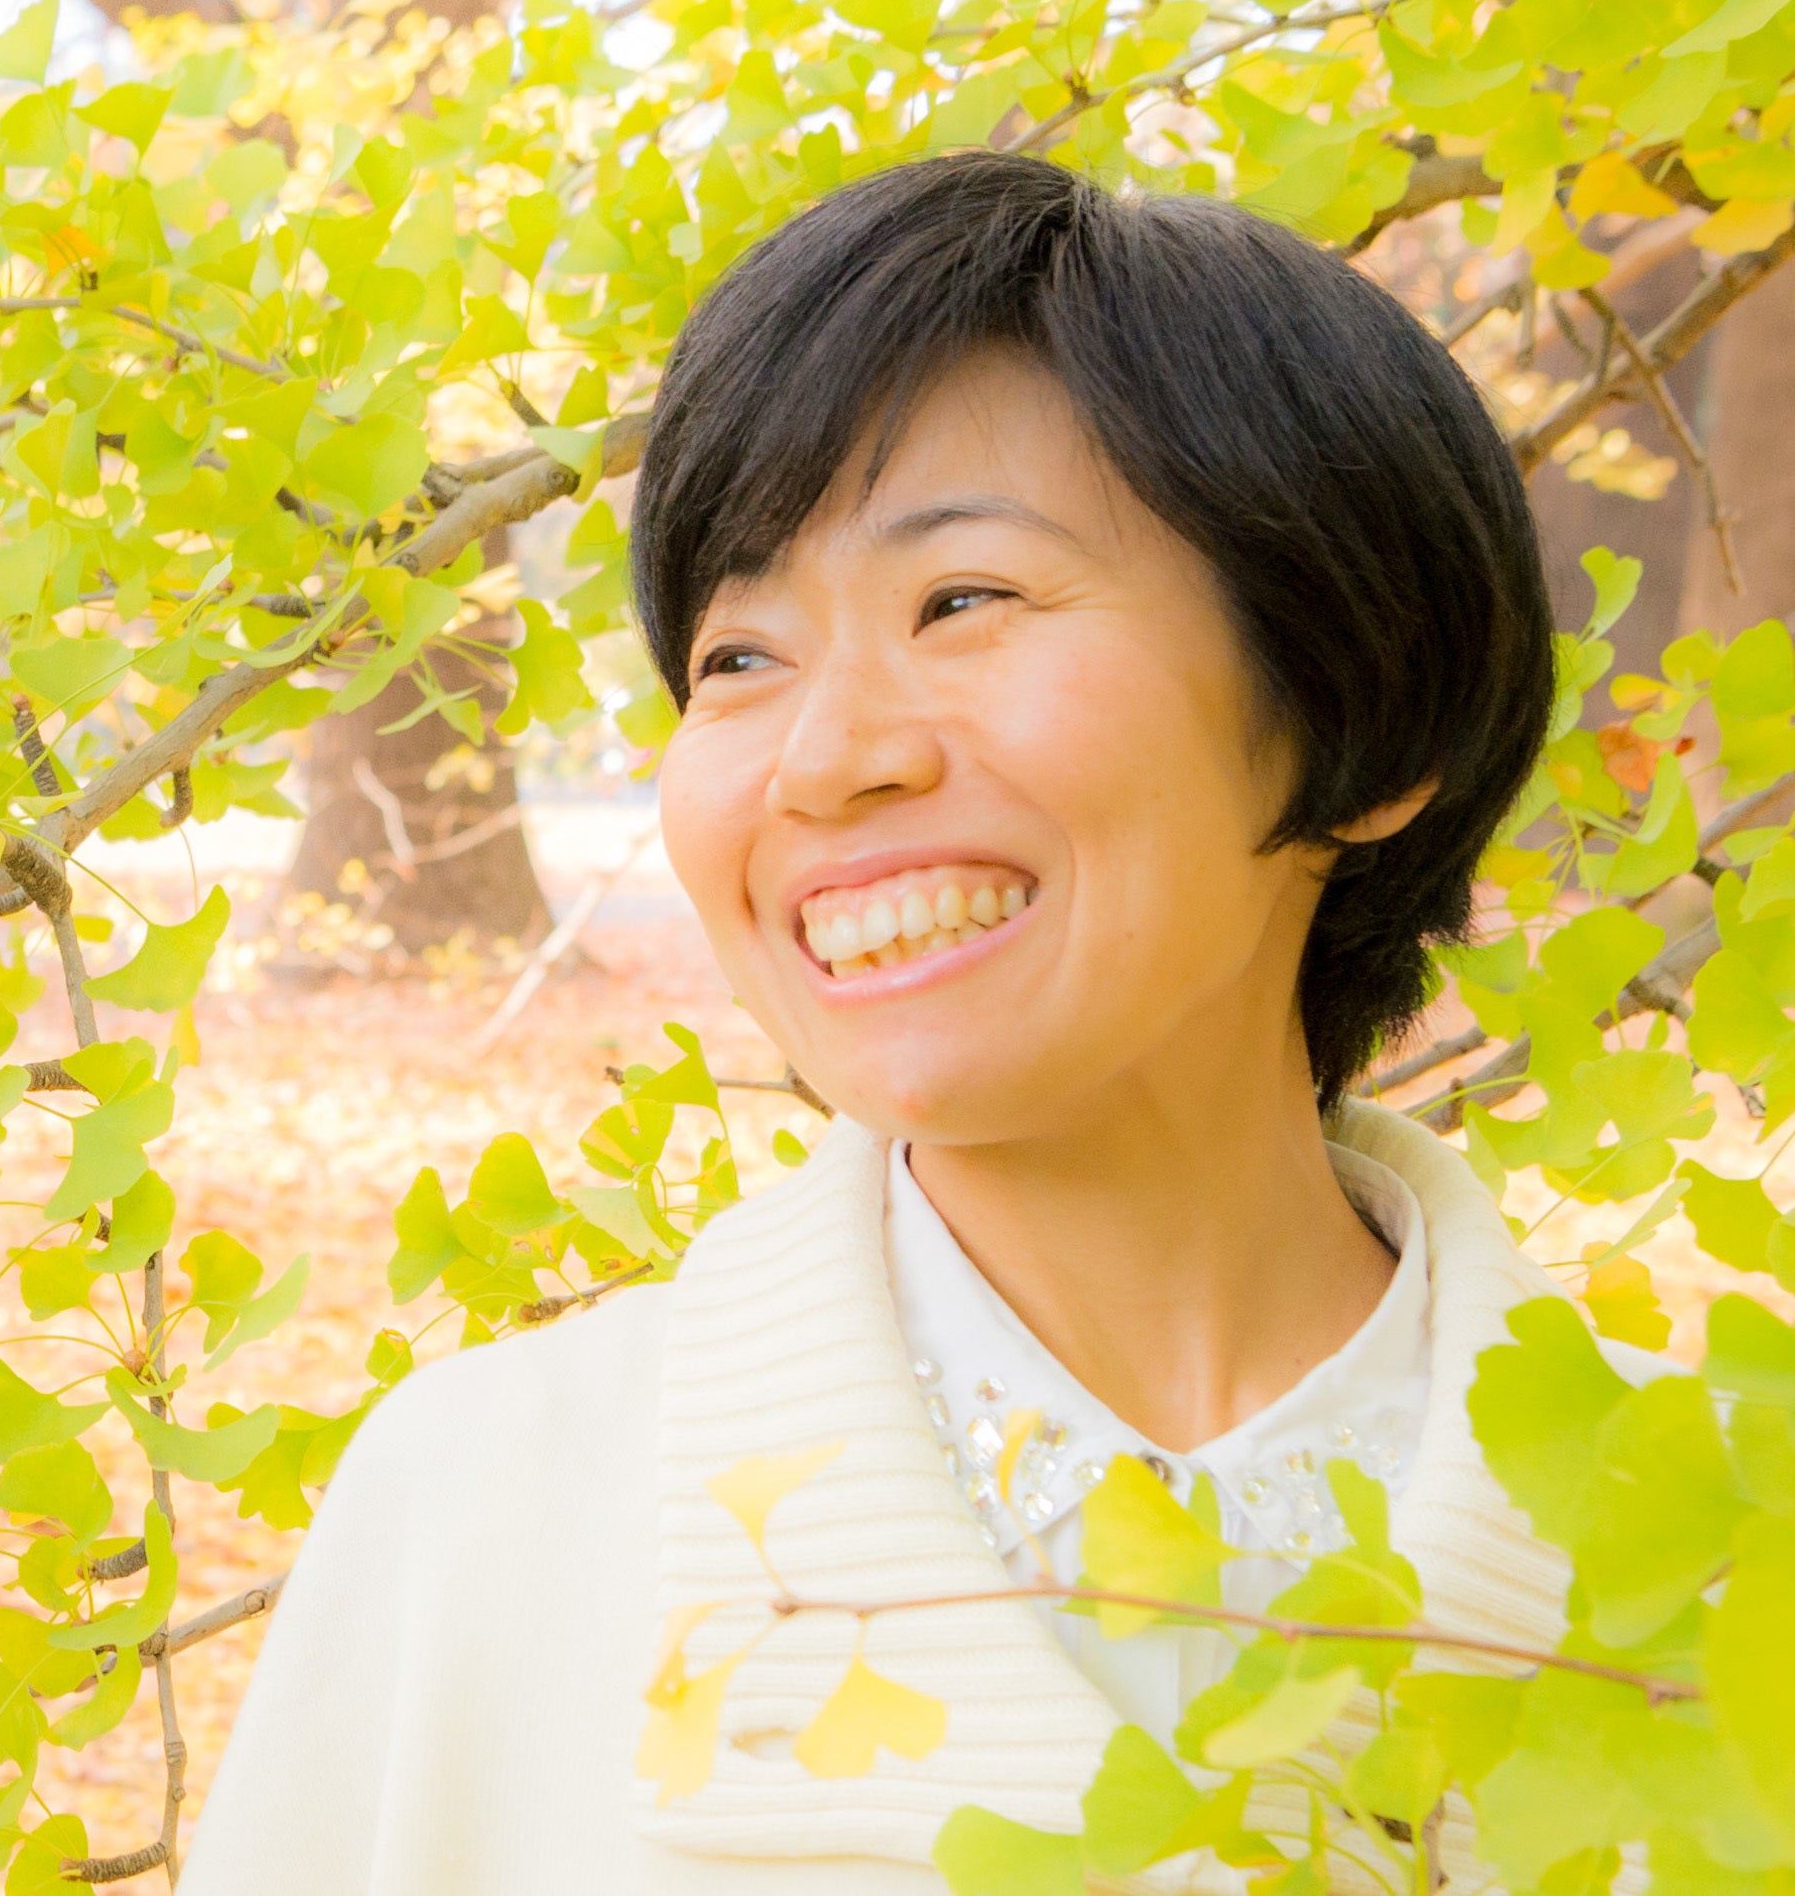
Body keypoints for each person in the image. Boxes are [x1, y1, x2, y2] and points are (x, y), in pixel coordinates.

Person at [180, 154, 1604, 1894]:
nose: (825, 757)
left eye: (962, 600)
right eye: (739, 658)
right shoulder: (482, 1505)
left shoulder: (1718, 1548)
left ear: (1364, 721)